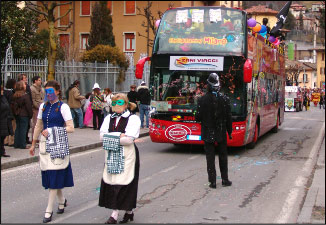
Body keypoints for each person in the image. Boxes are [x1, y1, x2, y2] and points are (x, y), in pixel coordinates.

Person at [29, 80, 74, 223]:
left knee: (54, 174)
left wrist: (53, 130)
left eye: (50, 91)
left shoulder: (63, 107)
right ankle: (62, 201)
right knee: (50, 173)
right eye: (46, 91)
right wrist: (33, 143)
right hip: (44, 145)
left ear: (57, 91)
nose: (48, 94)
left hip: (58, 144)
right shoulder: (43, 106)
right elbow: (38, 126)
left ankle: (49, 210)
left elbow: (71, 128)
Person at [99, 93, 140, 224]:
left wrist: (111, 136)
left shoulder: (133, 119)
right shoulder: (108, 118)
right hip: (111, 154)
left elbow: (129, 140)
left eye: (120, 103)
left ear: (126, 105)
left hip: (128, 155)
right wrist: (119, 136)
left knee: (124, 183)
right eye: (114, 103)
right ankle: (128, 212)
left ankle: (114, 214)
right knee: (113, 183)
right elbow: (101, 137)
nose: (116, 106)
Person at [195, 73, 233, 189]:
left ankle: (213, 182)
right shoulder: (225, 99)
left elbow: (198, 118)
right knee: (223, 156)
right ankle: (225, 179)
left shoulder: (202, 100)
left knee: (210, 157)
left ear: (208, 85)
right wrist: (229, 131)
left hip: (207, 132)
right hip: (221, 131)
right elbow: (228, 117)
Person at [11, 81, 33, 149]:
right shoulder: (25, 96)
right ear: (22, 87)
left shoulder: (15, 95)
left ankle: (16, 143)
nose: (25, 86)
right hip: (24, 114)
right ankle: (23, 144)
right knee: (23, 129)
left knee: (18, 128)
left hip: (17, 113)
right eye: (24, 85)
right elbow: (28, 106)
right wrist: (30, 114)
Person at [18, 74, 32, 144]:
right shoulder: (23, 95)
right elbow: (28, 103)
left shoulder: (27, 88)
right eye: (24, 78)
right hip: (24, 112)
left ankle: (23, 141)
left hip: (22, 112)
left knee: (24, 127)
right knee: (24, 128)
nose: (26, 79)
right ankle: (23, 142)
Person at [1, 80, 14, 157]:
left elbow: (7, 106)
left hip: (5, 119)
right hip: (2, 118)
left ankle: (2, 151)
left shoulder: (3, 98)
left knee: (3, 137)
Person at [30, 76, 45, 142]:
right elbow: (33, 100)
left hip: (42, 107)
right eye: (39, 80)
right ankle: (34, 138)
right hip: (36, 108)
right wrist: (37, 107)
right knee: (36, 123)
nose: (40, 81)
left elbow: (43, 97)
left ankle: (42, 137)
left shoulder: (41, 88)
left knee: (43, 123)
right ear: (35, 81)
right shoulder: (32, 89)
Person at [3, 78, 16, 147]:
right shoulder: (11, 93)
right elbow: (12, 103)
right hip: (10, 112)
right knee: (12, 127)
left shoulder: (4, 92)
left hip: (5, 113)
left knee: (6, 127)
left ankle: (6, 140)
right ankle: (11, 141)